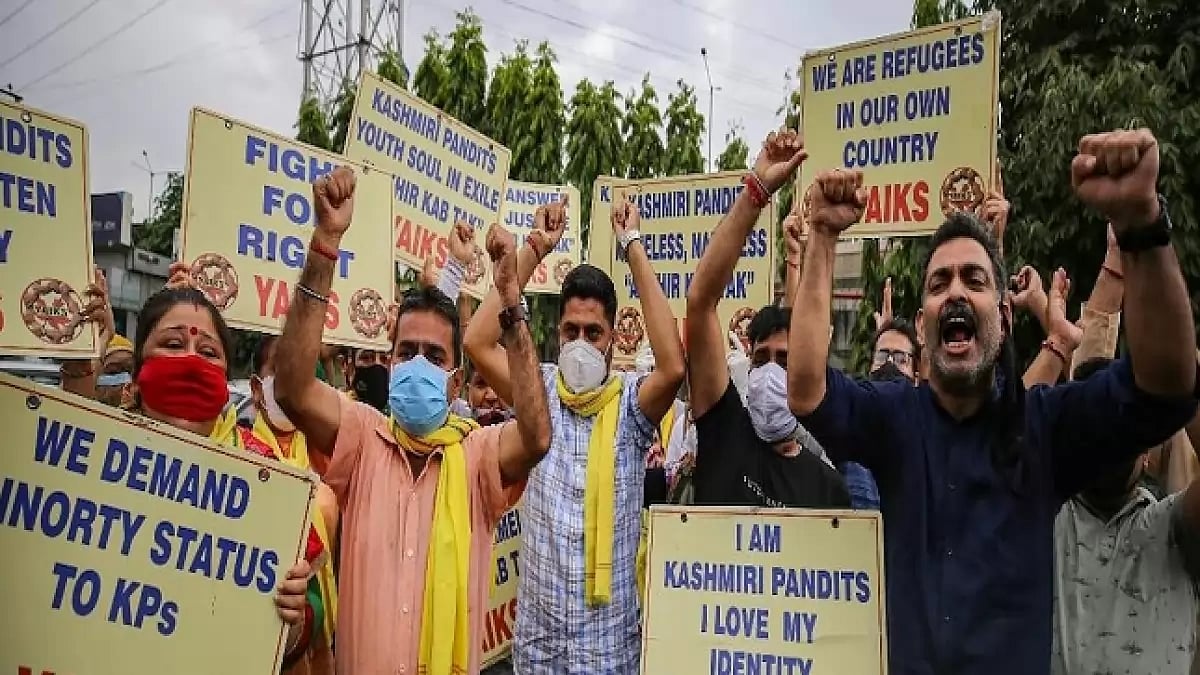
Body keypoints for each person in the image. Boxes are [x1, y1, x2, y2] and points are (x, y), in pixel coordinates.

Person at [787, 129, 1199, 675]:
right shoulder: (893, 419)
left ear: (1003, 319)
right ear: (925, 325)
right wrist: (822, 236)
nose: (955, 291)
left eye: (974, 279)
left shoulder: (1045, 428)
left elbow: (1166, 384)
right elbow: (806, 389)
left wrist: (1141, 222)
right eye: (938, 283)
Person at [272, 166, 552, 675]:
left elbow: (536, 435)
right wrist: (324, 244)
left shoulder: (476, 458)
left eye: (433, 355)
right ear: (390, 359)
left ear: (455, 380)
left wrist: (511, 298)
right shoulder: (360, 436)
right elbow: (291, 388)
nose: (417, 364)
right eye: (407, 352)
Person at [464, 197, 686, 674]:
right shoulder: (537, 389)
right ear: (556, 333)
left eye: (593, 332)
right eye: (570, 331)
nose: (580, 343)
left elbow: (672, 365)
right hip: (540, 646)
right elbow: (477, 342)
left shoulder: (630, 404)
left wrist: (633, 246)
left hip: (607, 650)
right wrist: (534, 249)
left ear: (612, 338)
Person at [63, 278, 320, 668]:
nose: (191, 360)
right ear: (137, 370)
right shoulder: (94, 452)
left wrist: (294, 620)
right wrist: (79, 360)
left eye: (208, 351)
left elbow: (309, 609)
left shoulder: (268, 476)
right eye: (172, 344)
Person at [683, 128, 849, 510]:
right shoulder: (724, 429)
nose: (771, 372)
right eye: (761, 359)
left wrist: (822, 240)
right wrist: (756, 191)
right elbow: (701, 302)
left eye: (785, 360)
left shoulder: (829, 489)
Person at [1050, 357, 1200, 675]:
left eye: (1123, 426)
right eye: (1095, 425)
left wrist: (1178, 371)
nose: (1109, 440)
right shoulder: (1037, 520)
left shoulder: (1176, 526)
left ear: (1147, 453)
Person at [249, 334, 341, 675]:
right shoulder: (236, 453)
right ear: (257, 389)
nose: (287, 385)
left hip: (322, 635)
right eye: (278, 371)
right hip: (264, 629)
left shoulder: (328, 455)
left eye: (297, 374)